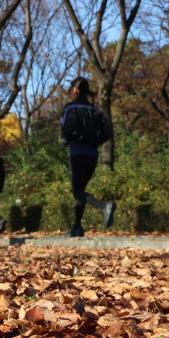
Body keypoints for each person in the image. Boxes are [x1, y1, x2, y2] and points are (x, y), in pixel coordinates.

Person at [60, 77, 116, 237]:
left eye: (71, 89)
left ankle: (104, 207)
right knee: (81, 190)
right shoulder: (96, 110)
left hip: (77, 152)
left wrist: (68, 140)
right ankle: (77, 227)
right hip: (92, 153)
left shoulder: (70, 108)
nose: (70, 93)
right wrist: (95, 141)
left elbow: (66, 128)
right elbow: (107, 132)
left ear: (76, 90)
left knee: (77, 192)